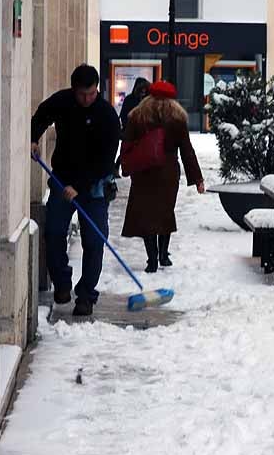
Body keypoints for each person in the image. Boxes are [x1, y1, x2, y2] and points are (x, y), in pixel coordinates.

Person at [31, 64, 121, 317]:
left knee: (94, 241)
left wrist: (79, 187)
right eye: (82, 94)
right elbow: (41, 116)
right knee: (54, 232)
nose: (86, 99)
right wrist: (32, 138)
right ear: (74, 90)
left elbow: (106, 161)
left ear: (97, 90)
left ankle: (86, 296)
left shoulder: (107, 116)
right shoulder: (63, 102)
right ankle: (61, 283)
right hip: (61, 182)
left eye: (91, 94)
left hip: (93, 188)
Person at [120, 81, 205, 273]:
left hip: (144, 171)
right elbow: (186, 150)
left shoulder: (138, 116)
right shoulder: (177, 119)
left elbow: (127, 143)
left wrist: (125, 164)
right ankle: (163, 255)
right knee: (165, 213)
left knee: (146, 214)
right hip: (168, 172)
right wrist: (197, 178)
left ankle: (152, 259)